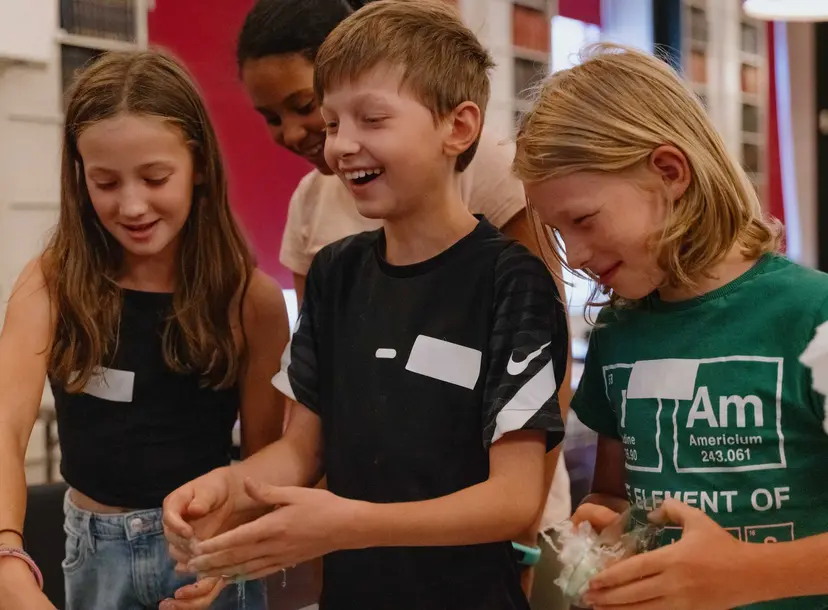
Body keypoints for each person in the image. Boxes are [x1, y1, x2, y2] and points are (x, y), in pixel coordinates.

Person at [162, 2, 569, 609]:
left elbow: (512, 501)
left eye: (372, 119)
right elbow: (302, 450)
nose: (340, 146)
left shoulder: (511, 280)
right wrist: (230, 487)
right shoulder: (335, 272)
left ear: (457, 128)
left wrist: (350, 523)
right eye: (330, 123)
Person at [513, 43, 828, 609]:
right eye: (560, 234)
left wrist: (745, 573)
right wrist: (604, 526)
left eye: (584, 220)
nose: (576, 255)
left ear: (669, 171)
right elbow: (616, 493)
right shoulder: (618, 333)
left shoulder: (813, 317)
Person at [0, 49, 288, 610]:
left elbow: (265, 460)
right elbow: (6, 426)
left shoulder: (249, 300)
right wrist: (7, 556)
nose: (132, 205)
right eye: (105, 182)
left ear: (199, 165)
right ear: (78, 175)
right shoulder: (54, 280)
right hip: (92, 550)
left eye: (156, 177)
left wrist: (232, 556)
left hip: (203, 551)